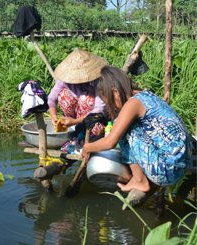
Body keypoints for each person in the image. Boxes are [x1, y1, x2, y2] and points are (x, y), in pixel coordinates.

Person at [81, 65, 192, 208]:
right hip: (179, 167)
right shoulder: (145, 95)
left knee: (119, 124)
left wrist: (87, 147)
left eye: (111, 103)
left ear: (115, 92)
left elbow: (110, 142)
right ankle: (140, 177)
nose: (114, 108)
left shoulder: (133, 103)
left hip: (167, 172)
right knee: (123, 123)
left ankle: (139, 180)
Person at [48, 48, 109, 130]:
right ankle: (73, 127)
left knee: (85, 98)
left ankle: (86, 128)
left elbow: (100, 109)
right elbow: (51, 99)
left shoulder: (98, 80)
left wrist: (75, 121)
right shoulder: (65, 79)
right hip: (75, 117)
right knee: (63, 95)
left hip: (97, 118)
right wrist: (54, 116)